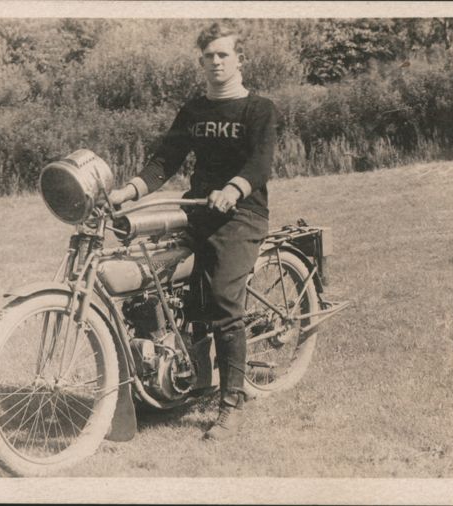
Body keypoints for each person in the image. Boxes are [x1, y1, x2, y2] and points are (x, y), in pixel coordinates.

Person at [109, 21, 276, 440]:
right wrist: (127, 191)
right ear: (201, 62)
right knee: (164, 283)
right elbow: (165, 160)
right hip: (198, 212)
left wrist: (233, 190)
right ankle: (185, 379)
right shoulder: (194, 111)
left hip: (242, 215)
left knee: (222, 299)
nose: (216, 62)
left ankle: (231, 403)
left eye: (223, 54)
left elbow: (259, 164)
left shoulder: (258, 109)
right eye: (208, 56)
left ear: (240, 59)